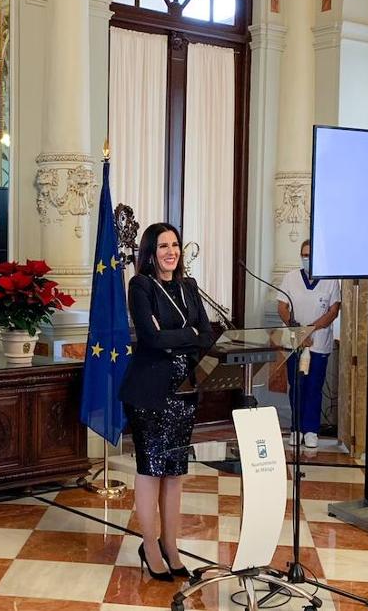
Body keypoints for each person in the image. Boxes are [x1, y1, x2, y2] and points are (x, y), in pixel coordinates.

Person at [119, 223, 215, 582]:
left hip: (184, 393)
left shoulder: (188, 287)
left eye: (175, 245)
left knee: (175, 474)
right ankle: (150, 547)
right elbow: (151, 338)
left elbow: (206, 334)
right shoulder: (141, 286)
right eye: (163, 246)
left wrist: (180, 336)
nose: (171, 251)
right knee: (151, 470)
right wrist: (184, 334)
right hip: (149, 394)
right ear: (150, 251)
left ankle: (171, 546)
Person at [277, 239, 341, 449]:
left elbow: (333, 311)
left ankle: (311, 430)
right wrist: (298, 330)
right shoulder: (290, 278)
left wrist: (311, 329)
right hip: (295, 342)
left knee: (314, 387)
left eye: (311, 256)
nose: (307, 259)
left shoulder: (330, 280)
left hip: (318, 343)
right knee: (296, 387)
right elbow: (282, 307)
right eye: (304, 255)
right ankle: (296, 429)